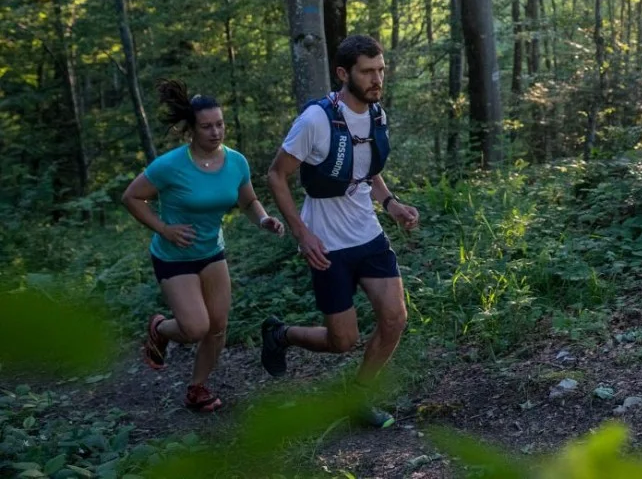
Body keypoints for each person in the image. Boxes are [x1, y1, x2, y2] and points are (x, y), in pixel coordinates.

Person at [261, 34, 420, 429]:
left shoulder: (377, 114)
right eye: (367, 71)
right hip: (326, 242)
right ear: (343, 73)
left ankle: (359, 397)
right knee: (342, 341)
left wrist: (391, 204)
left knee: (395, 319)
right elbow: (276, 175)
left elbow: (368, 170)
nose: (377, 79)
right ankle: (281, 334)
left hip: (367, 234)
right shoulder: (316, 119)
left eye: (380, 70)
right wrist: (302, 233)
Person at [122, 80, 285, 412]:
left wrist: (264, 219)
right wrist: (164, 229)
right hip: (174, 256)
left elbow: (249, 200)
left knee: (218, 326)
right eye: (207, 126)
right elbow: (131, 197)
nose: (216, 132)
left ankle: (197, 388)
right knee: (196, 327)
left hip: (212, 253)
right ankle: (160, 328)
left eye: (220, 124)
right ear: (191, 131)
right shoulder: (170, 165)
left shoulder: (236, 162)